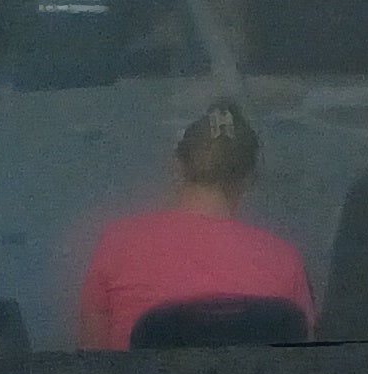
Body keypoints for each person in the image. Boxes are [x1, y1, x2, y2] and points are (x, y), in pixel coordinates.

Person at [77, 99, 315, 351]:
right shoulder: (285, 260)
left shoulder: (118, 243)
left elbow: (93, 360)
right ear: (248, 181)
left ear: (178, 167)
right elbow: (303, 365)